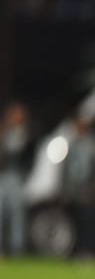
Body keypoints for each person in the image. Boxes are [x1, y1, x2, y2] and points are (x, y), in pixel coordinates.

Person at [60, 115, 95, 258]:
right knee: (73, 223)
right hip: (72, 191)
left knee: (87, 224)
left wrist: (93, 188)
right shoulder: (72, 145)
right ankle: (74, 251)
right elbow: (65, 169)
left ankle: (87, 251)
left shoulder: (92, 146)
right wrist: (64, 190)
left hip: (86, 190)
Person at [0, 101, 34, 256]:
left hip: (17, 176)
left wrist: (26, 175)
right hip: (3, 176)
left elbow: (28, 157)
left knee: (17, 213)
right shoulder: (4, 133)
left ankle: (17, 248)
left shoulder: (26, 134)